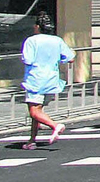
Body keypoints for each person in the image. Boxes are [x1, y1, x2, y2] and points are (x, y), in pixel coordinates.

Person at [20, 13, 74, 150]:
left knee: (34, 111)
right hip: (52, 79)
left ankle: (55, 126)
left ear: (37, 26)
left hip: (35, 79)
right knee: (38, 111)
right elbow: (70, 57)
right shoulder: (57, 40)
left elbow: (28, 60)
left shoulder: (31, 41)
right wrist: (58, 60)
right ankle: (32, 140)